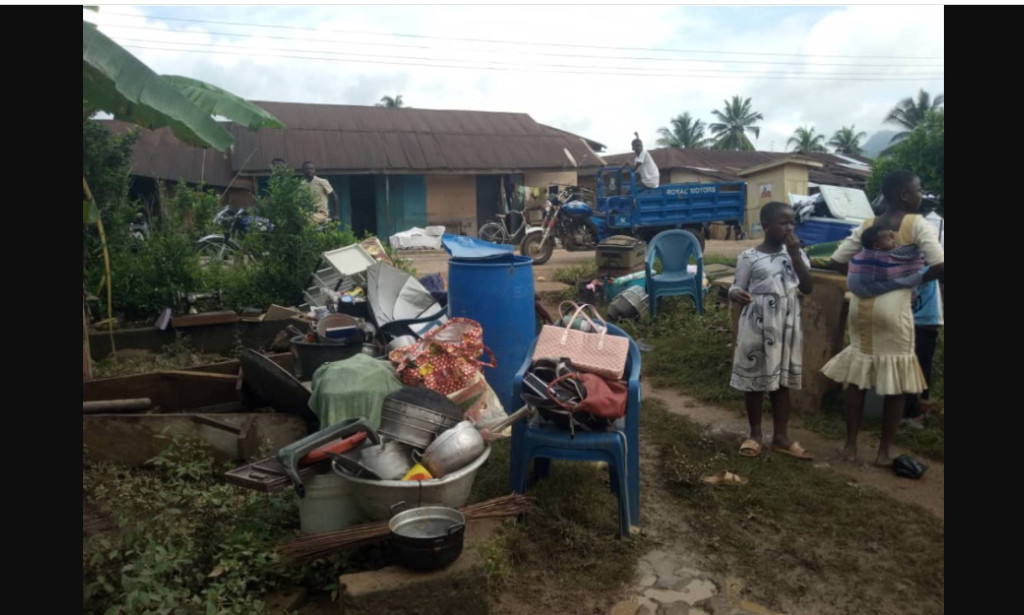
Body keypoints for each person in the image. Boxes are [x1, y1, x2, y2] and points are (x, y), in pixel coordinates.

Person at [822, 170, 944, 466]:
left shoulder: (867, 226)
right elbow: (940, 265)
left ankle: (850, 447)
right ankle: (883, 453)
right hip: (895, 309)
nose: (921, 194)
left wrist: (867, 281)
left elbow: (837, 261)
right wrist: (907, 280)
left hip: (862, 307)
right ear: (904, 195)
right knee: (897, 382)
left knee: (858, 378)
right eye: (918, 188)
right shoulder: (917, 225)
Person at [728, 201, 815, 460]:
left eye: (792, 222)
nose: (789, 227)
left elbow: (808, 287)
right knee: (754, 382)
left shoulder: (796, 255)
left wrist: (796, 253)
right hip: (756, 324)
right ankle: (755, 434)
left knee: (781, 383)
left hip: (786, 324)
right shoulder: (749, 257)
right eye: (783, 222)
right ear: (766, 226)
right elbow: (735, 287)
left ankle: (781, 437)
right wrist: (736, 294)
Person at [903, 200, 945, 427]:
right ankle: (917, 407)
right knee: (916, 365)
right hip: (918, 320)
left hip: (924, 319)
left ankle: (915, 411)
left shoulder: (928, 264)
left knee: (917, 366)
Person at [845, 226, 941, 299]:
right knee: (904, 282)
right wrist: (917, 250)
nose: (894, 241)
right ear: (877, 246)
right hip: (864, 287)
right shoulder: (878, 258)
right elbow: (903, 261)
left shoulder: (863, 254)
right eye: (890, 239)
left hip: (857, 289)